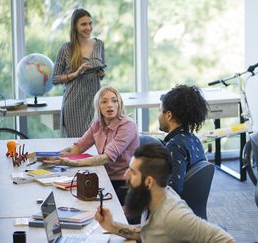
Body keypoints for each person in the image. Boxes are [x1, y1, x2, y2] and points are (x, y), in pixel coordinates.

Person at [95, 143, 234, 243]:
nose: (126, 175)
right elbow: (146, 232)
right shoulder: (151, 197)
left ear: (148, 182)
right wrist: (112, 226)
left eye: (132, 172)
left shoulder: (174, 216)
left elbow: (224, 239)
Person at [43, 86, 139, 204]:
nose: (110, 105)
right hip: (104, 177)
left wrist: (70, 163)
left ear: (120, 104)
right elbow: (78, 148)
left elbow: (106, 158)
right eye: (104, 101)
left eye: (114, 101)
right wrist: (52, 156)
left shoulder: (127, 126)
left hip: (124, 183)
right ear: (98, 106)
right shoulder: (97, 124)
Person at [53, 8, 106, 137]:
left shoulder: (99, 44)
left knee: (95, 144)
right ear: (75, 26)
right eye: (83, 24)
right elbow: (54, 79)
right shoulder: (66, 49)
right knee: (75, 148)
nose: (88, 27)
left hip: (94, 102)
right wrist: (75, 73)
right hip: (74, 104)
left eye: (90, 23)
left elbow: (102, 72)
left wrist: (100, 73)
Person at [158, 85, 208, 194]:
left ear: (169, 115)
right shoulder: (193, 139)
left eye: (160, 111)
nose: (158, 116)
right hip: (190, 207)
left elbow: (173, 191)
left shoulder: (174, 146)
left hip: (177, 209)